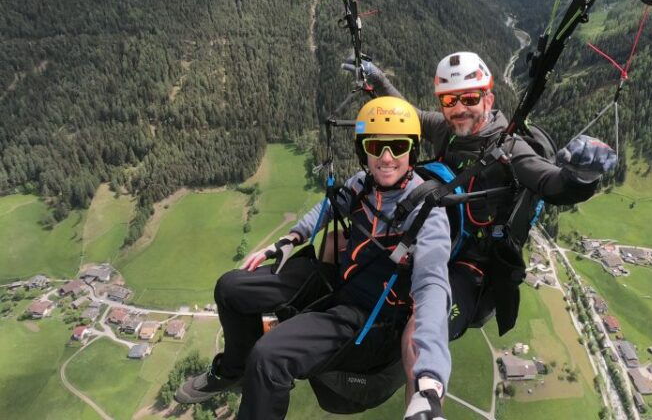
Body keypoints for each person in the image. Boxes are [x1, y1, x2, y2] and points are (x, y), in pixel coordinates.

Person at [175, 97, 452, 420]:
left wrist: (429, 381)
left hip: (367, 315)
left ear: (412, 151)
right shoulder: (362, 185)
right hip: (336, 280)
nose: (386, 158)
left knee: (269, 356)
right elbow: (328, 208)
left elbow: (433, 285)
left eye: (398, 146)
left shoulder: (427, 212)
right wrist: (291, 238)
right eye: (376, 146)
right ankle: (232, 371)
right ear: (364, 151)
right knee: (231, 288)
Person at [344, 52, 617, 353]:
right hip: (432, 239)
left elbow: (551, 183)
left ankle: (424, 394)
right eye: (450, 101)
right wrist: (379, 80)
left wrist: (581, 176)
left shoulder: (512, 149)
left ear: (488, 99)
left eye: (470, 99)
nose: (460, 109)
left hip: (470, 268)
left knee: (420, 332)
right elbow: (412, 115)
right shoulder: (445, 131)